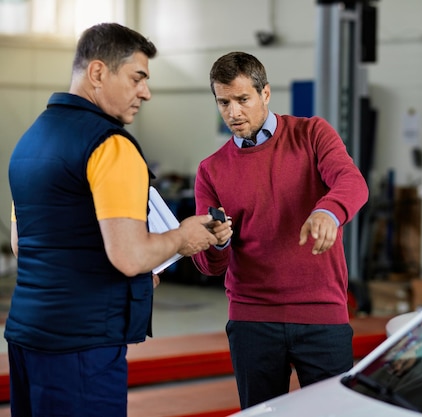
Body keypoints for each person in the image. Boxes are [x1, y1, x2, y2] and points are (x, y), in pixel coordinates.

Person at [6, 23, 231, 417]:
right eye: (137, 78)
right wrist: (181, 237)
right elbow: (128, 256)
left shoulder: (30, 140)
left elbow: (25, 244)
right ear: (97, 73)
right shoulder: (110, 145)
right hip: (84, 345)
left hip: (27, 338)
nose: (145, 92)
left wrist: (128, 278)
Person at [192, 51, 369, 409]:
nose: (233, 113)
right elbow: (209, 265)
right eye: (223, 102)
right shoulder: (211, 170)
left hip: (322, 315)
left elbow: (352, 182)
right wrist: (217, 243)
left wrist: (328, 212)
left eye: (243, 100)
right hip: (252, 319)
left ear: (266, 94)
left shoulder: (312, 133)